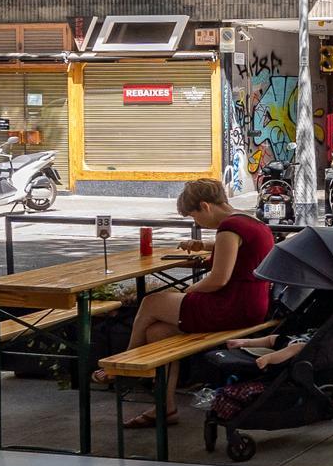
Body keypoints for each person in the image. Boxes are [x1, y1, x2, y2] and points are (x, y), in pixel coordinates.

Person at [91, 179, 275, 428]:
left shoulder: (229, 228)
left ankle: (123, 364)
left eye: (194, 216)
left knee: (151, 303)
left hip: (231, 306)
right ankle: (164, 408)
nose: (196, 223)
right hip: (253, 305)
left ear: (205, 206)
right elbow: (241, 252)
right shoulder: (249, 221)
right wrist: (206, 246)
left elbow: (218, 280)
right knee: (157, 333)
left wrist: (190, 291)